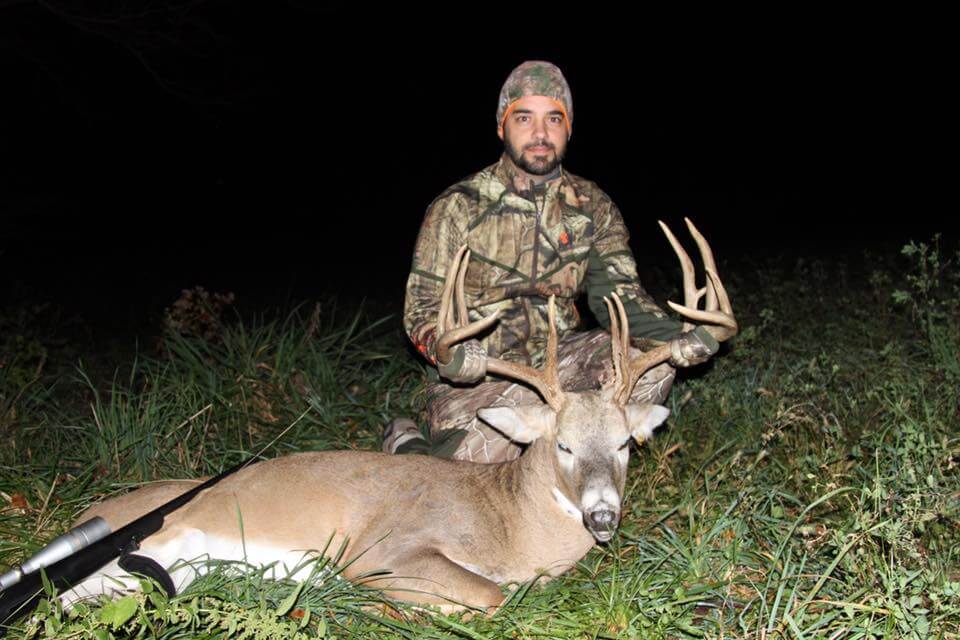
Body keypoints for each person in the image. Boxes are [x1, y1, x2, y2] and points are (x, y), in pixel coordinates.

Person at [384, 60, 718, 463]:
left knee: (648, 364)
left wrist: (678, 338)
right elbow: (422, 308)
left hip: (561, 368)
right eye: (524, 118)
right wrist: (450, 353)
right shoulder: (457, 206)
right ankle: (409, 444)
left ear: (569, 128)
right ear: (502, 127)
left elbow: (622, 297)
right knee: (470, 481)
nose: (540, 134)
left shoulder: (592, 206)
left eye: (554, 119)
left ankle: (589, 457)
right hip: (478, 377)